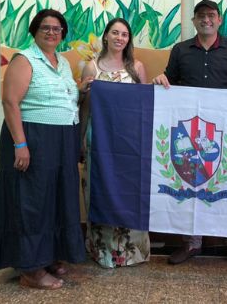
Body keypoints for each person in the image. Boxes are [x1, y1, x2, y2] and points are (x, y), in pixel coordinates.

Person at [0, 9, 93, 290]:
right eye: (45, 27)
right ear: (34, 31)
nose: (51, 32)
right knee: (32, 201)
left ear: (63, 34)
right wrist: (20, 144)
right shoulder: (25, 59)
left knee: (55, 199)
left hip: (61, 139)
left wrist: (82, 89)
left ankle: (46, 257)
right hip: (34, 137)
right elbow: (10, 102)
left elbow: (62, 97)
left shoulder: (60, 62)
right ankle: (30, 270)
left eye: (57, 29)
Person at [151, 0, 227, 269]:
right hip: (190, 130)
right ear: (193, 21)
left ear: (219, 19)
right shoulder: (180, 49)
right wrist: (161, 80)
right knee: (190, 181)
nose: (206, 19)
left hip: (224, 131)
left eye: (211, 15)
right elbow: (170, 83)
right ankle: (191, 242)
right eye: (200, 15)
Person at [79, 18, 151, 268]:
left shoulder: (137, 68)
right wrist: (80, 139)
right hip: (98, 139)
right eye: (115, 33)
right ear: (106, 36)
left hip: (129, 143)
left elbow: (145, 107)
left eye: (125, 34)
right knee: (99, 189)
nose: (120, 38)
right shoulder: (91, 68)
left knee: (129, 192)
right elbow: (85, 105)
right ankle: (103, 251)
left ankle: (133, 252)